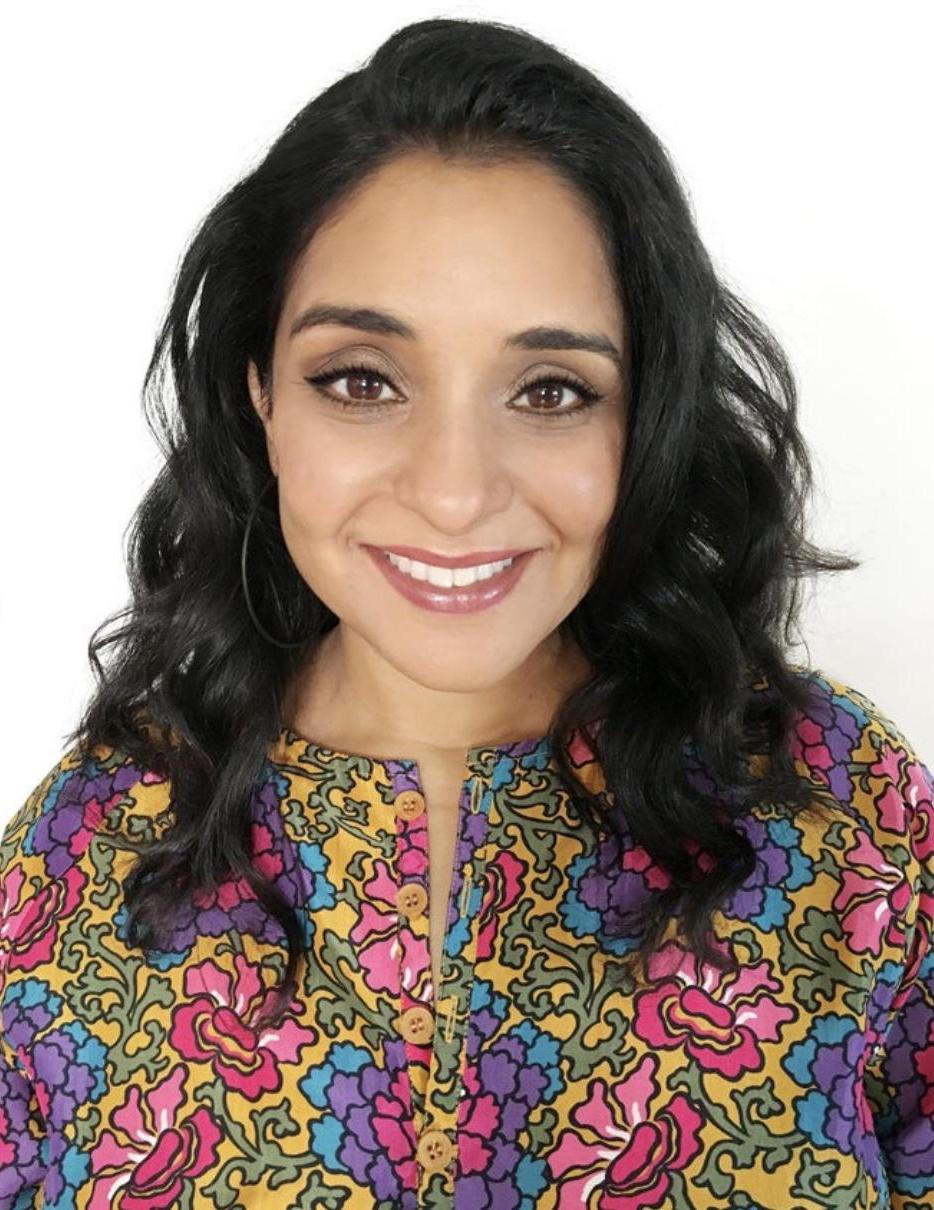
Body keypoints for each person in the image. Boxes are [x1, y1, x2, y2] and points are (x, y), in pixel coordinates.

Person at [1, 16, 931, 1210]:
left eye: (551, 390)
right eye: (362, 380)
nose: (453, 491)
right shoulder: (88, 853)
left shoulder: (842, 813)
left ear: (641, 417)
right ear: (260, 395)